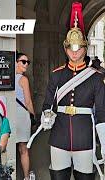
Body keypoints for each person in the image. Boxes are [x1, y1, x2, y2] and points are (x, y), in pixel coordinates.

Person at [41, 2, 105, 179]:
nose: (74, 53)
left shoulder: (96, 77)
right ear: (65, 48)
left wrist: (104, 142)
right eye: (71, 48)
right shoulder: (56, 75)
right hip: (59, 136)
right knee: (58, 176)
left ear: (85, 48)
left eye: (78, 48)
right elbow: (48, 103)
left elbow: (101, 112)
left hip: (84, 136)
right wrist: (46, 114)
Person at [15, 52, 35, 180]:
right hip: (22, 115)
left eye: (28, 62)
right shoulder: (23, 79)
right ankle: (26, 177)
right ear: (16, 62)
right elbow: (28, 101)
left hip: (9, 114)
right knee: (23, 149)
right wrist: (33, 116)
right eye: (23, 61)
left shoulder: (7, 77)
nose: (26, 64)